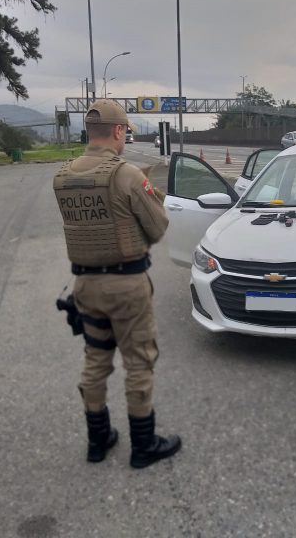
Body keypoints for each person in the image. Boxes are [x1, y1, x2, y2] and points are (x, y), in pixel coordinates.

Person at [53, 99, 181, 469]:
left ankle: (98, 441)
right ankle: (143, 446)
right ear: (119, 131)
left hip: (85, 287)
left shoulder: (62, 176)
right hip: (127, 286)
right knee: (139, 361)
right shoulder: (125, 174)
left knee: (96, 358)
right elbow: (157, 229)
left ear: (88, 132)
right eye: (127, 131)